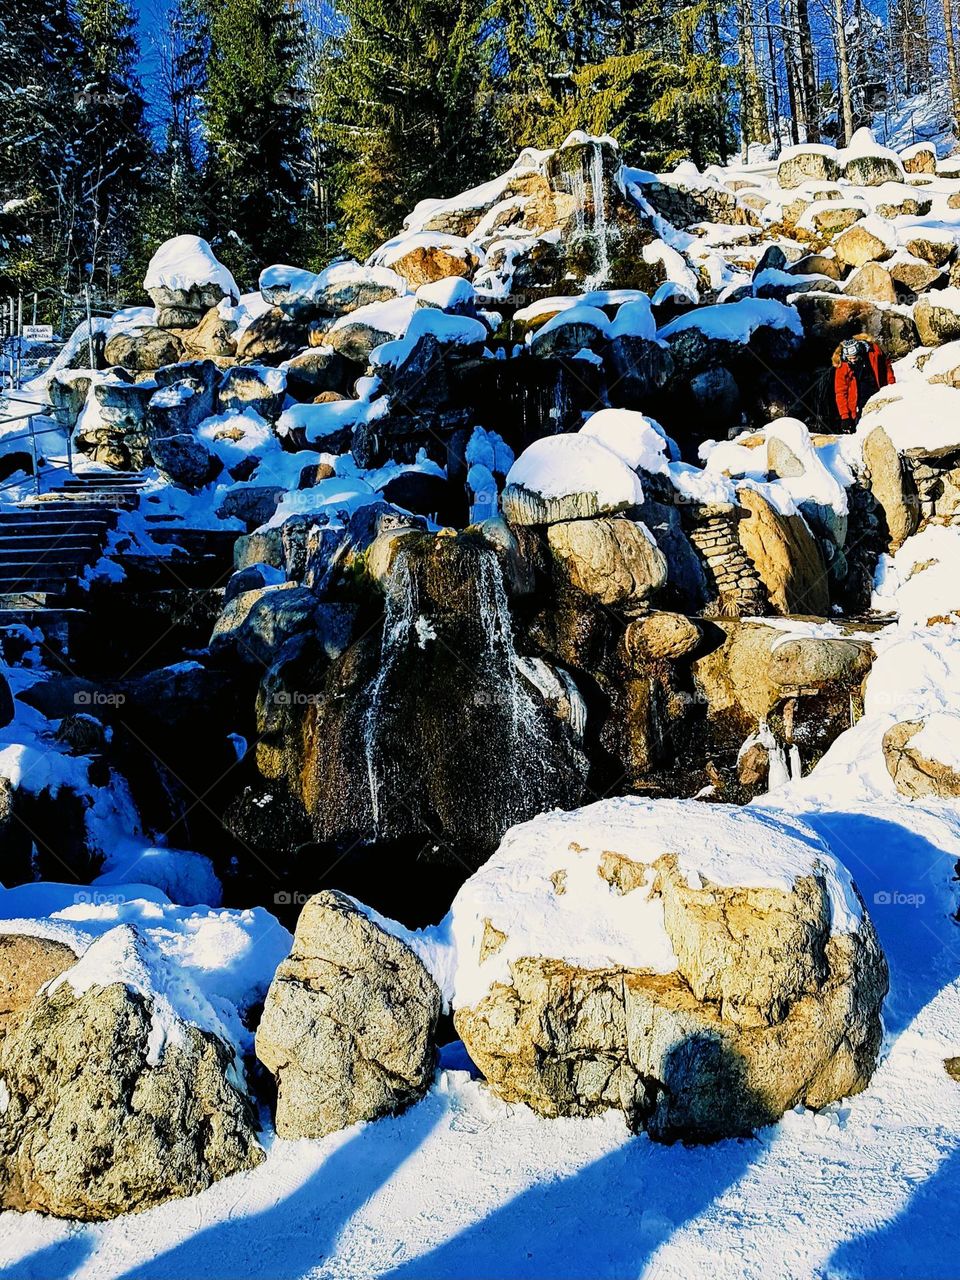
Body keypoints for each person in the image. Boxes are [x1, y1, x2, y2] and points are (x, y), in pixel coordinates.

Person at [832, 333, 895, 429]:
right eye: (849, 358)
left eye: (854, 357)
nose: (852, 360)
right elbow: (840, 392)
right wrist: (845, 416)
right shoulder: (842, 366)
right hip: (859, 404)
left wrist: (892, 386)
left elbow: (886, 367)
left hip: (880, 394)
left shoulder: (873, 352)